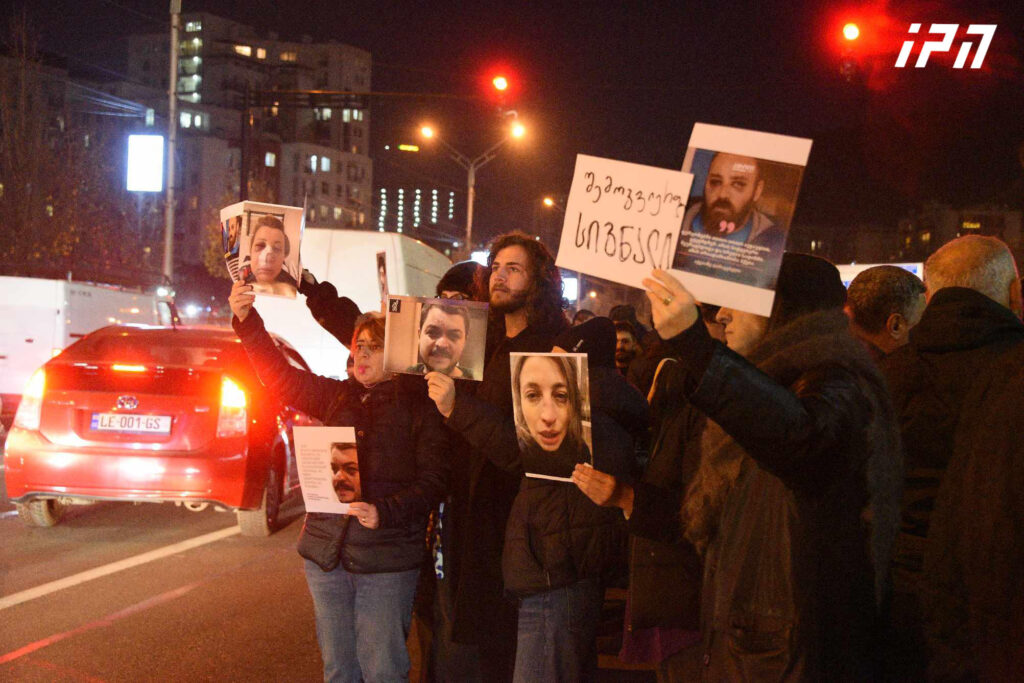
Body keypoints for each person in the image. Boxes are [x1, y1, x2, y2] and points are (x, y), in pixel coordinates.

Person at [583, 254, 901, 680]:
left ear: (782, 311)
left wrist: (696, 345)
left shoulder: (838, 384)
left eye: (740, 301)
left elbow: (795, 436)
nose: (723, 314)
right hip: (755, 647)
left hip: (789, 656)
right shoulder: (776, 383)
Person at [228, 282, 449, 683]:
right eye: (358, 345)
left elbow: (434, 481)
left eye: (374, 347)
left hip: (386, 562)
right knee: (339, 671)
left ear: (398, 355)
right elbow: (280, 377)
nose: (361, 353)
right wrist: (248, 323)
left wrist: (384, 512)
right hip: (327, 557)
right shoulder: (337, 396)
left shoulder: (421, 409)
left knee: (383, 670)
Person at [431, 316, 644, 682]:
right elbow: (523, 451)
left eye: (559, 358)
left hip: (555, 573)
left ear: (581, 366)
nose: (550, 363)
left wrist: (457, 409)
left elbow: (519, 450)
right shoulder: (594, 407)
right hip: (554, 569)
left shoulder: (594, 412)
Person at [425, 232, 569, 682]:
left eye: (514, 268)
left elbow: (532, 454)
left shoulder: (550, 349)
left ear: (539, 281)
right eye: (497, 267)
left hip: (519, 533)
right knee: (483, 655)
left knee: (511, 658)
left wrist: (458, 408)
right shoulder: (480, 345)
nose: (500, 276)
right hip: (472, 522)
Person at [882, 235, 1024, 680]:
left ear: (929, 296)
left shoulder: (889, 373)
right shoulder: (1012, 371)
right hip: (994, 596)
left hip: (898, 585)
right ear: (1013, 294)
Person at [673, 153, 786, 288]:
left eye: (738, 184)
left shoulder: (775, 243)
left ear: (757, 190)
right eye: (715, 182)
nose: (723, 194)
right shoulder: (673, 217)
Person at [845, 265, 926, 362]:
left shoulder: (839, 360)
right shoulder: (912, 368)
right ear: (896, 326)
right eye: (922, 321)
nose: (927, 328)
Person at [406, 302, 474, 379]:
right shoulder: (407, 375)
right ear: (419, 335)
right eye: (432, 332)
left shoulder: (475, 379)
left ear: (464, 341)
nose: (442, 344)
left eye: (454, 335)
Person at [243, 214, 298, 296]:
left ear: (284, 256)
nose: (267, 258)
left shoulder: (295, 291)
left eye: (277, 248)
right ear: (250, 252)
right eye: (260, 246)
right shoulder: (240, 283)